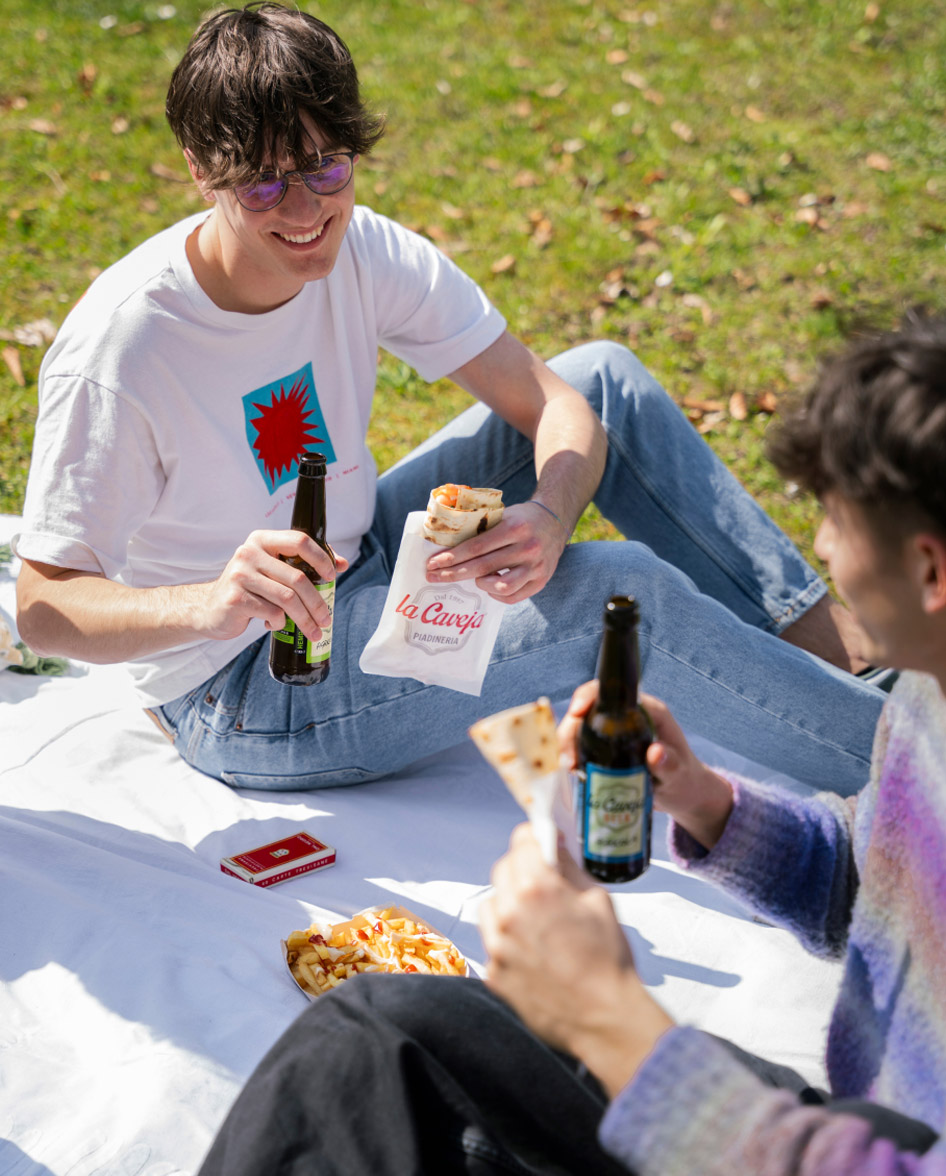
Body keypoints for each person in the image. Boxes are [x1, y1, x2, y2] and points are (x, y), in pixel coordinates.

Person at [13, 3, 884, 793]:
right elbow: (43, 607)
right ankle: (905, 771)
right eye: (264, 184)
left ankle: (848, 654)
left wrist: (550, 513)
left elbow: (558, 403)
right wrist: (207, 603)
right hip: (245, 686)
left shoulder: (361, 249)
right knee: (621, 596)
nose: (306, 209)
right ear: (203, 171)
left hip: (357, 558)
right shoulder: (125, 348)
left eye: (327, 167)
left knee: (603, 377)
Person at [194, 310, 946, 1175]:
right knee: (384, 1029)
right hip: (851, 1118)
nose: (819, 546)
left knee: (363, 1060)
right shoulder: (927, 704)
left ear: (929, 570)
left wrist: (611, 1019)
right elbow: (885, 884)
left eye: (839, 524)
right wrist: (714, 805)